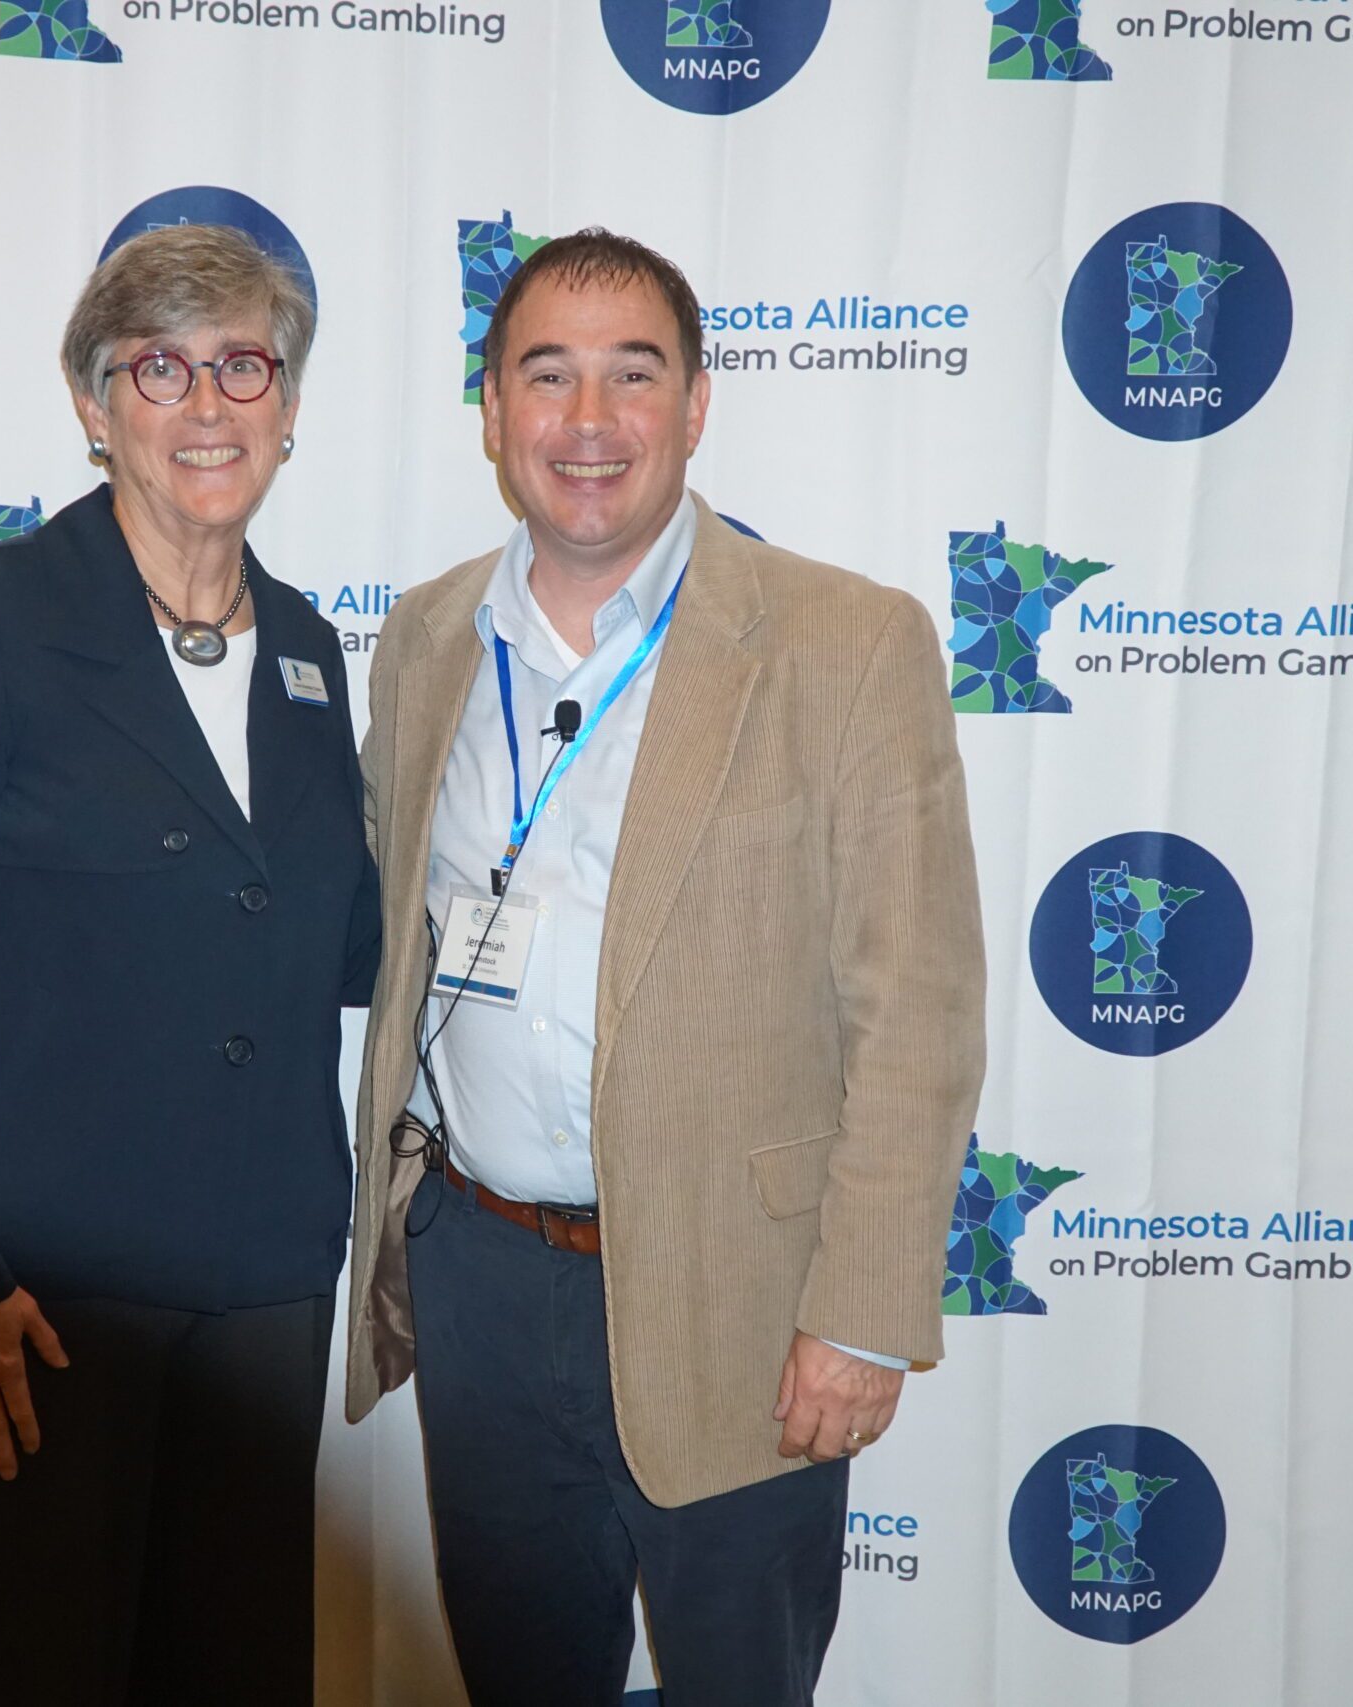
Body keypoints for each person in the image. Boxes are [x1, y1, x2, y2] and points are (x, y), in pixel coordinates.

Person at [342, 229, 985, 1705]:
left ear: (697, 405)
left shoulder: (846, 643)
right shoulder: (429, 639)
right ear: (492, 412)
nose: (588, 423)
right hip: (485, 1277)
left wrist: (863, 1312)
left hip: (742, 1297)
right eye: (545, 376)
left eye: (633, 376)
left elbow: (920, 1013)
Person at [0, 222, 378, 1707]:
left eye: (243, 365)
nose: (207, 405)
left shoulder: (314, 659)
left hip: (257, 1294)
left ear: (290, 402)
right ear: (91, 403)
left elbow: (340, 937)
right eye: (159, 368)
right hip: (30, 1315)